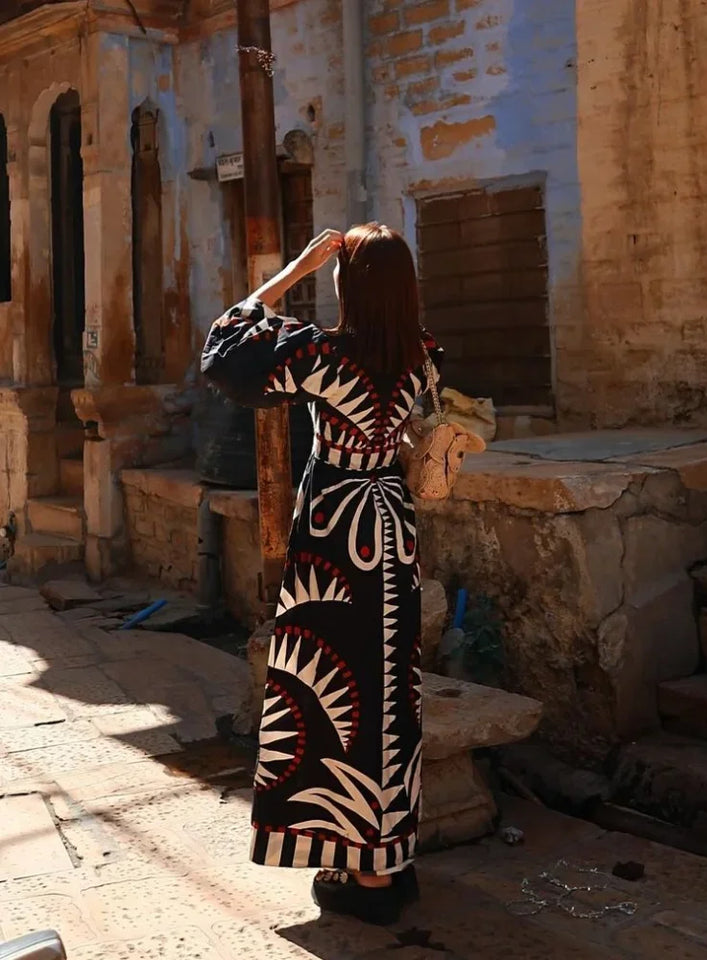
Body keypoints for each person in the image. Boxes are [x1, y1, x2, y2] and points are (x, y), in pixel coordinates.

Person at [201, 223, 442, 926]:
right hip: (391, 528)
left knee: (332, 684)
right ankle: (386, 859)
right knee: (389, 688)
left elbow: (225, 346)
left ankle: (358, 872)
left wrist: (293, 271)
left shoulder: (320, 355)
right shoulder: (422, 355)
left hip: (337, 531)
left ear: (351, 285)